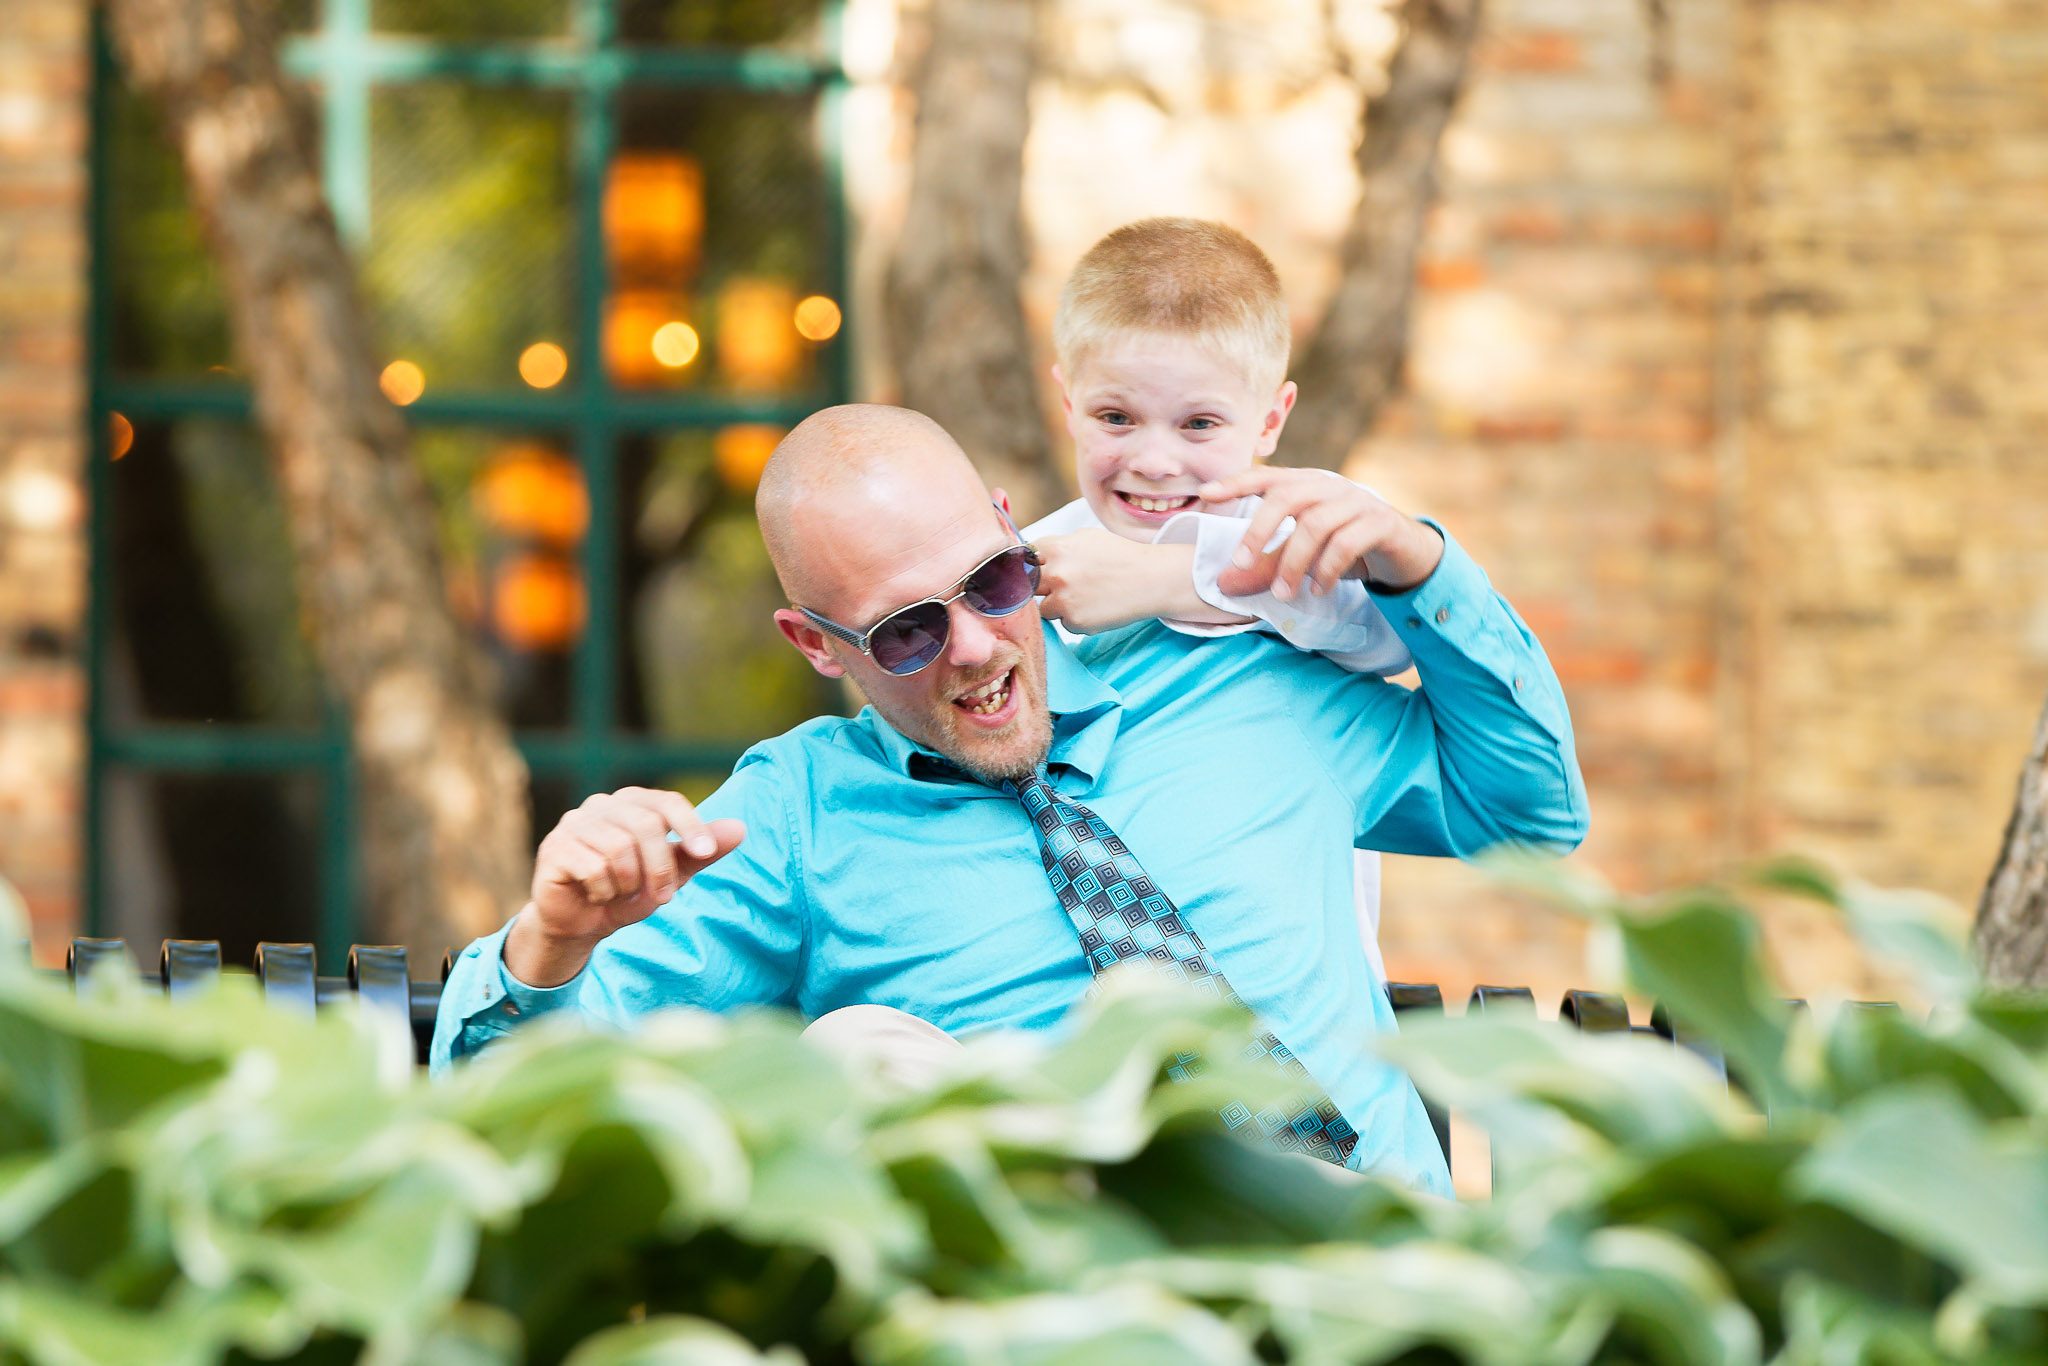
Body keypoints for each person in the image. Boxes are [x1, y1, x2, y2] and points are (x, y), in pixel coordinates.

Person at [430, 404, 1587, 1196]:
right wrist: (551, 943)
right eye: (907, 629)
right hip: (1081, 1307)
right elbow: (509, 1112)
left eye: (993, 579)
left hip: (1384, 1276)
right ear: (815, 644)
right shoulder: (794, 819)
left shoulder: (1243, 691)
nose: (978, 646)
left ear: (1006, 523)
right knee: (858, 1052)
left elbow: (1526, 815)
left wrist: (1417, 565)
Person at [1025, 217, 1411, 977]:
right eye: (1115, 418)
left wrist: (1172, 579)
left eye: (1199, 423)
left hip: (1294, 998)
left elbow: (1385, 629)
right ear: (1067, 401)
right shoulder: (1039, 562)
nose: (1156, 459)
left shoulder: (1313, 519)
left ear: (1271, 418)